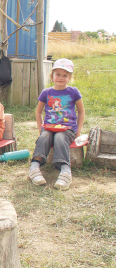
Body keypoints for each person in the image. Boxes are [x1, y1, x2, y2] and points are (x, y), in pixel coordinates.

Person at [28, 58, 85, 190]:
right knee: (45, 136)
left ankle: (65, 169)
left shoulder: (73, 92)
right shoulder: (46, 93)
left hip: (68, 128)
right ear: (52, 75)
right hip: (49, 127)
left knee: (60, 137)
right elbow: (38, 112)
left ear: (70, 77)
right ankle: (35, 166)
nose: (61, 78)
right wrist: (40, 128)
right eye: (58, 74)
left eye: (65, 75)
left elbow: (81, 111)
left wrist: (78, 131)